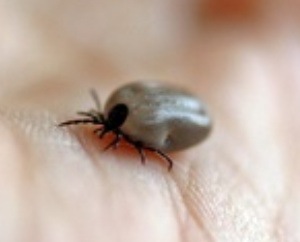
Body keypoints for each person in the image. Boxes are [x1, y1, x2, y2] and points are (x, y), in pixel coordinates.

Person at [0, 0, 299, 241]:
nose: (103, 124)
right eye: (107, 120)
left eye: (107, 123)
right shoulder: (123, 111)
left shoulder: (130, 119)